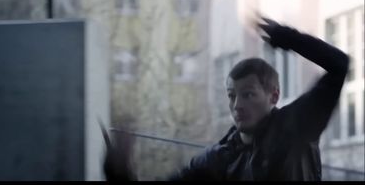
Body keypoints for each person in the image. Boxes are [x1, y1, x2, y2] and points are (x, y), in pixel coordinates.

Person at [103, 16, 349, 181]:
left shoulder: (296, 125)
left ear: (274, 95)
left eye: (248, 94)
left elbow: (339, 64)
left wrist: (291, 38)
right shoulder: (219, 157)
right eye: (232, 96)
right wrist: (119, 171)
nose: (237, 105)